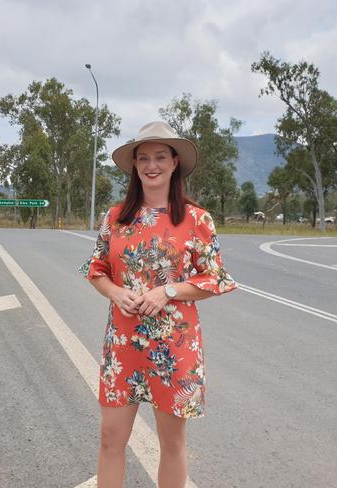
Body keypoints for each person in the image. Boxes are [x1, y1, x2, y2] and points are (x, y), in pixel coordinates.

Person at [80, 121, 238, 488]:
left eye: (160, 157)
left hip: (175, 345)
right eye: (144, 158)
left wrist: (167, 292)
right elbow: (96, 268)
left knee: (172, 443)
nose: (152, 165)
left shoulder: (197, 219)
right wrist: (116, 293)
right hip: (123, 345)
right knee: (110, 439)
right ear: (134, 165)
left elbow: (214, 278)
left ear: (174, 163)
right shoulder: (116, 218)